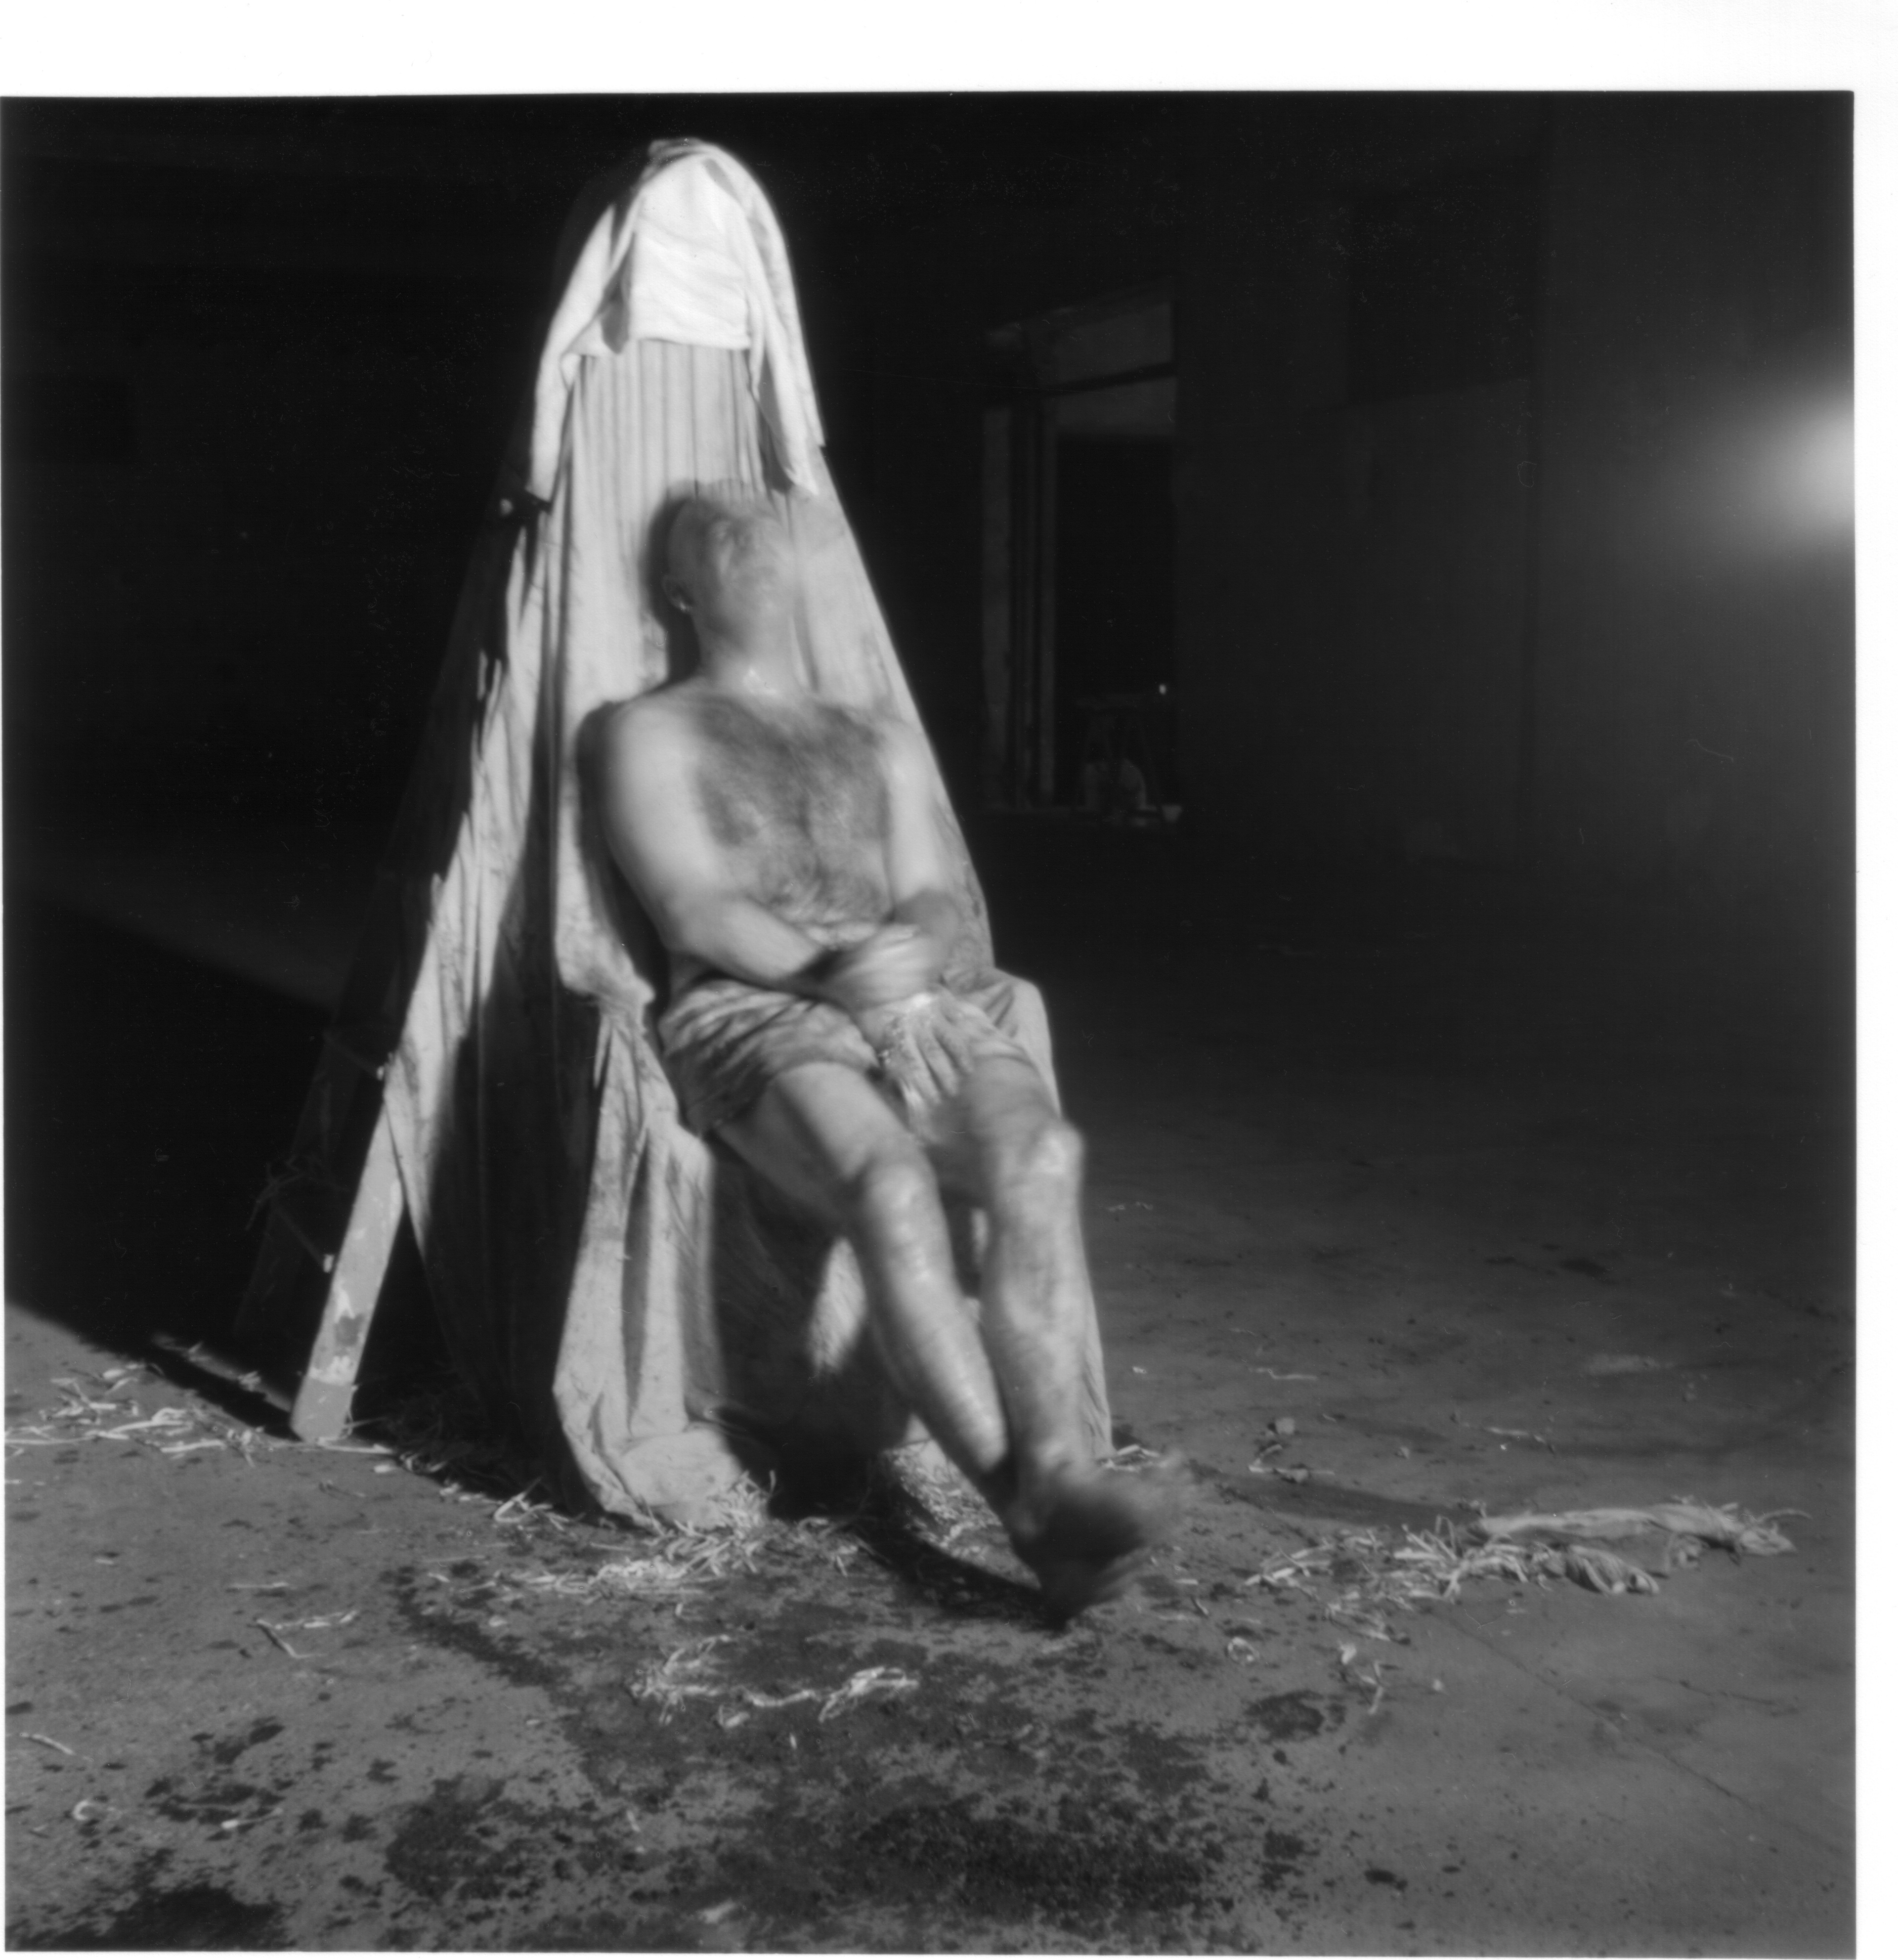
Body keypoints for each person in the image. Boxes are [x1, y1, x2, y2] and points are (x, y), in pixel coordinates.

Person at [599, 488, 1174, 1614]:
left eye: (765, 532)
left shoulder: (876, 735)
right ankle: (1028, 1509)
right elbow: (692, 907)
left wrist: (915, 951)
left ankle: (1061, 1478)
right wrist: (828, 974)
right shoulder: (649, 729)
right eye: (717, 536)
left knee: (1041, 1154)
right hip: (754, 1009)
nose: (749, 540)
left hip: (911, 1004)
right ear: (680, 590)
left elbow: (932, 891)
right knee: (892, 1185)